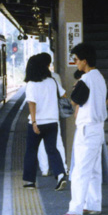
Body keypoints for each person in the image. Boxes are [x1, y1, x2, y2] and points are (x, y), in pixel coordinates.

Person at [60, 43, 108, 215]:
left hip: (87, 129)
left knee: (80, 169)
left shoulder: (85, 80)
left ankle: (76, 208)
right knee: (94, 169)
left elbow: (71, 104)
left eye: (77, 60)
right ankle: (93, 204)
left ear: (85, 61)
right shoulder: (100, 78)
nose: (75, 63)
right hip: (98, 128)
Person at [23, 55, 67, 191]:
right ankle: (60, 175)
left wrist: (34, 122)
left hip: (37, 123)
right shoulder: (52, 81)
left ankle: (30, 181)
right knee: (52, 150)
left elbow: (32, 104)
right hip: (52, 122)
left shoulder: (31, 84)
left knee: (31, 151)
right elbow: (64, 95)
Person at [36, 53, 68, 177]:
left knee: (41, 144)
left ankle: (44, 169)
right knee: (57, 142)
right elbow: (63, 95)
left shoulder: (35, 79)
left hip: (39, 117)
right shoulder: (55, 77)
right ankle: (63, 168)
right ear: (49, 64)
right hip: (53, 116)